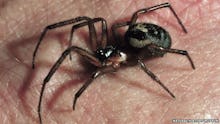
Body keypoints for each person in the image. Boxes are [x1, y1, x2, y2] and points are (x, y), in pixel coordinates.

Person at [0, 0, 219, 123]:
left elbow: (99, 73)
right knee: (91, 22)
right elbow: (86, 23)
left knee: (119, 58)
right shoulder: (107, 43)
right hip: (134, 40)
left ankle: (177, 51)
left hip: (150, 43)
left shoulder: (129, 58)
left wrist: (78, 94)